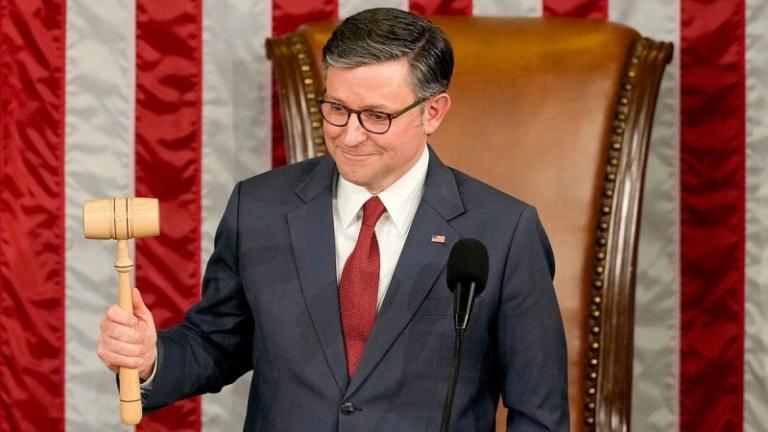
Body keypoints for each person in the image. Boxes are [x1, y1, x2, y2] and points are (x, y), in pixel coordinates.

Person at [97, 7, 569, 431]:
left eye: (377, 116)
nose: (350, 136)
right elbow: (217, 343)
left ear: (433, 112)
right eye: (337, 109)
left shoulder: (504, 233)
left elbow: (538, 414)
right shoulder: (259, 208)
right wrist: (150, 358)